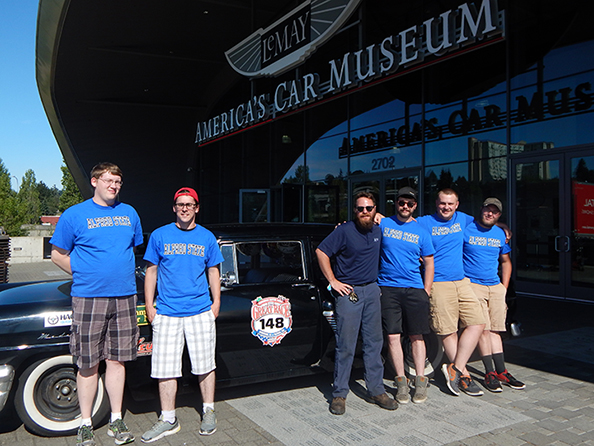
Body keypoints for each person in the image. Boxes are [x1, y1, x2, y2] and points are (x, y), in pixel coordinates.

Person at [50, 162, 143, 446]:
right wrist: (85, 275)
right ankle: (85, 423)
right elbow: (57, 254)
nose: (114, 185)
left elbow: (132, 249)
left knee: (117, 360)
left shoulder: (129, 214)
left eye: (118, 181)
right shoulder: (74, 215)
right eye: (108, 180)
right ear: (94, 181)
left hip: (125, 296)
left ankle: (116, 419)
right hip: (89, 298)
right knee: (88, 363)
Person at [141, 187, 224, 442]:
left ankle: (208, 411)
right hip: (166, 311)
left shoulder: (207, 237)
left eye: (190, 204)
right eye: (180, 204)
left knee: (205, 365)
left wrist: (216, 303)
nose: (185, 208)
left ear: (197, 208)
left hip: (200, 310)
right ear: (174, 208)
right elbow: (151, 272)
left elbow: (213, 271)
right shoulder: (159, 235)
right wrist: (150, 307)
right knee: (165, 368)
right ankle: (168, 418)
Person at [316, 192, 397, 415]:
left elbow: (406, 229)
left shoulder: (380, 229)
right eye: (360, 208)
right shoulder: (343, 231)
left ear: (375, 209)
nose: (365, 212)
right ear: (354, 210)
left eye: (369, 208)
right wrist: (333, 281)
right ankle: (339, 394)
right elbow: (321, 251)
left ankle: (376, 390)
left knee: (374, 343)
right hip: (349, 292)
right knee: (346, 345)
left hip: (372, 289)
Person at [417, 188, 486, 397]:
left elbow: (484, 222)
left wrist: (502, 227)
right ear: (436, 203)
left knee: (478, 322)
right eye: (442, 203)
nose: (446, 207)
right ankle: (463, 374)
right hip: (438, 282)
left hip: (462, 280)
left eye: (450, 204)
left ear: (457, 205)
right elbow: (398, 224)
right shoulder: (424, 222)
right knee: (448, 330)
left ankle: (454, 367)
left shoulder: (463, 219)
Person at [377, 187, 435, 404]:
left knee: (416, 336)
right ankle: (401, 382)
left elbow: (429, 263)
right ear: (396, 203)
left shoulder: (421, 232)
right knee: (392, 336)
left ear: (415, 206)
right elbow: (363, 218)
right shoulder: (384, 223)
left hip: (414, 289)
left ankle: (420, 381)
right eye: (402, 202)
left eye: (409, 204)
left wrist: (425, 290)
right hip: (388, 288)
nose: (405, 206)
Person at [464, 197, 525, 392]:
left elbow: (506, 261)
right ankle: (489, 372)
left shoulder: (500, 234)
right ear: (480, 209)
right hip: (473, 285)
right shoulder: (466, 226)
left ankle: (501, 370)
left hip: (495, 287)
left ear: (499, 215)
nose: (490, 214)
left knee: (495, 330)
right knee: (482, 329)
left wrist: (503, 287)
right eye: (487, 210)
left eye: (495, 212)